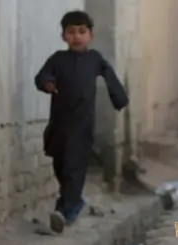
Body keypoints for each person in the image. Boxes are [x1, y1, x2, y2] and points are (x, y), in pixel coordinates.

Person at [34, 10, 129, 233]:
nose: (77, 36)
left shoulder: (95, 59)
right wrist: (47, 83)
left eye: (81, 32)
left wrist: (119, 98)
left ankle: (67, 211)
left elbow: (109, 75)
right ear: (63, 36)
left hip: (83, 123)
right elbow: (42, 76)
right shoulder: (58, 59)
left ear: (90, 35)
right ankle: (70, 203)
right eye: (71, 32)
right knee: (60, 164)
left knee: (73, 166)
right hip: (59, 123)